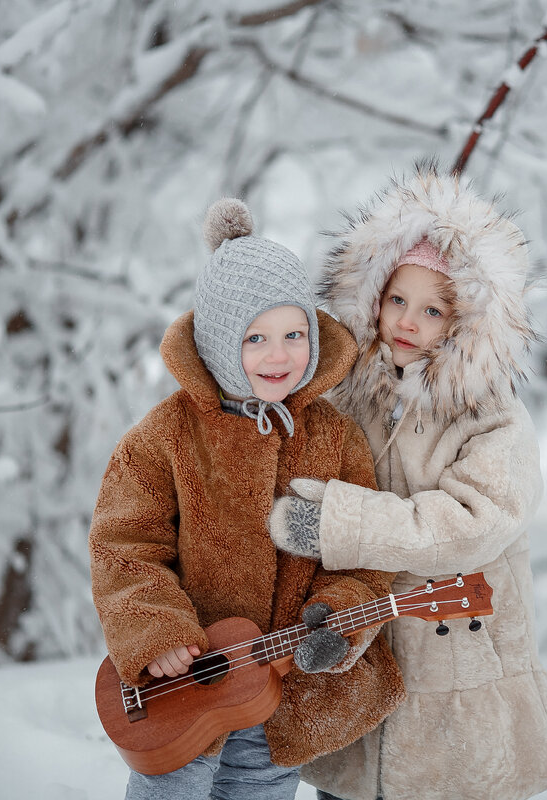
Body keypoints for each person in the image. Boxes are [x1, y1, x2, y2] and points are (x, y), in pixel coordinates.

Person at [268, 164, 547, 800]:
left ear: (465, 324)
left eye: (433, 310)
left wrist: (336, 524)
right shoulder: (349, 398)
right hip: (356, 668)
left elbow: (469, 524)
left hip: (458, 673)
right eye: (397, 298)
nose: (407, 320)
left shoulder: (494, 418)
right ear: (371, 295)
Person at [89, 198, 405, 800]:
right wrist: (155, 633)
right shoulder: (165, 437)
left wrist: (337, 615)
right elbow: (123, 544)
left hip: (277, 699)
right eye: (254, 338)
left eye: (293, 333)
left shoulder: (334, 440)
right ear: (214, 343)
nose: (279, 355)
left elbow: (363, 547)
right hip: (180, 697)